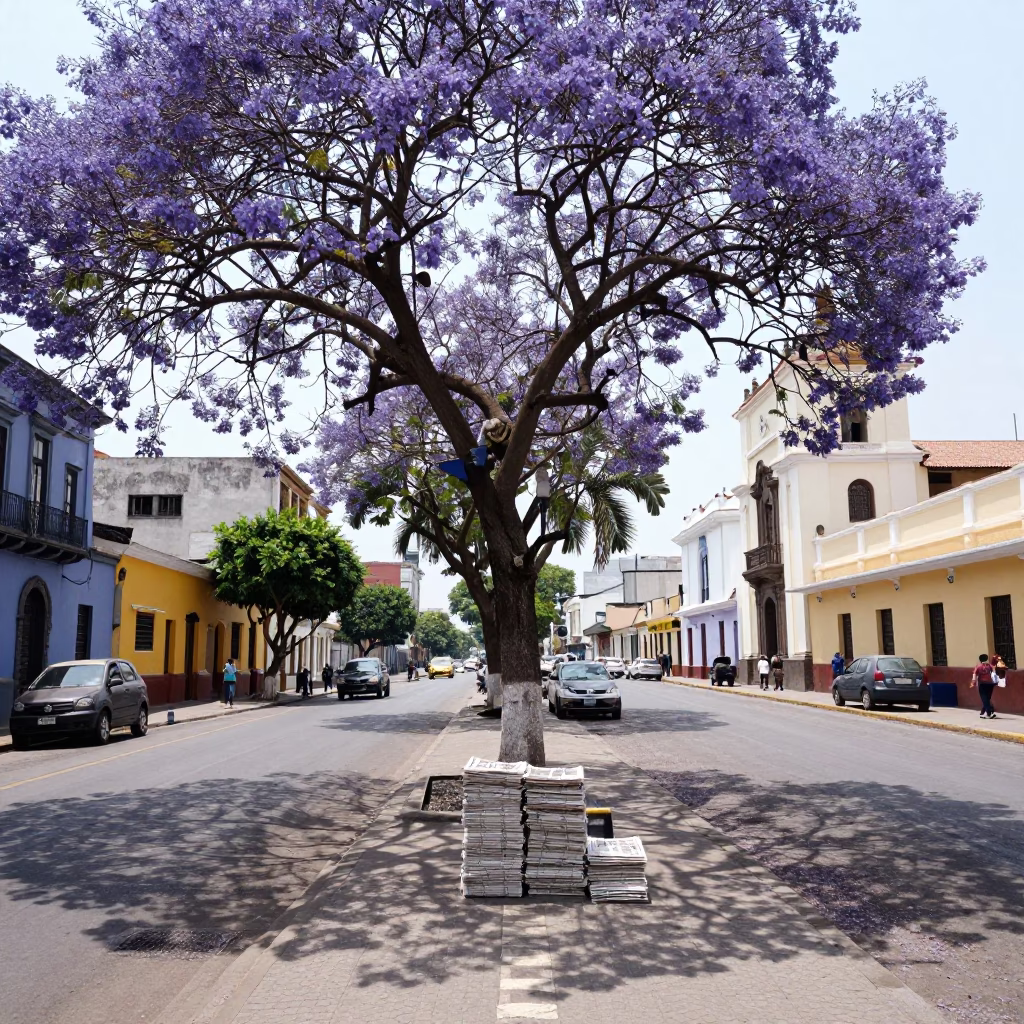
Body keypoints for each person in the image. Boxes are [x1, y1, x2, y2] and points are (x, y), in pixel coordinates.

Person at [971, 653, 997, 719]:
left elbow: (974, 674)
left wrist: (973, 682)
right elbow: (994, 672)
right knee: (987, 698)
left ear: (980, 660)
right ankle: (983, 712)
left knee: (984, 699)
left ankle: (989, 713)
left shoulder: (978, 666)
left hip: (982, 684)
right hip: (990, 684)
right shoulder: (990, 666)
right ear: (986, 659)